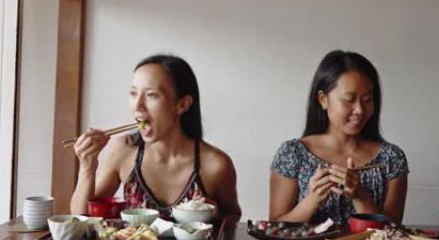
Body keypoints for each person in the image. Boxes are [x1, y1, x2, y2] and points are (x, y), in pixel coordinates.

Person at [70, 54, 241, 220]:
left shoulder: (216, 165)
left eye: (151, 95)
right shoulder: (123, 150)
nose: (137, 105)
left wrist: (212, 211)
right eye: (133, 93)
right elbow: (80, 219)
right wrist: (87, 167)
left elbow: (232, 218)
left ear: (182, 104)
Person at [269, 50, 408, 225]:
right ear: (323, 99)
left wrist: (361, 197)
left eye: (367, 99)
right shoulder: (292, 154)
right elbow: (274, 228)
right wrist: (312, 200)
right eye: (349, 100)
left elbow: (393, 233)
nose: (359, 110)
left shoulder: (391, 158)